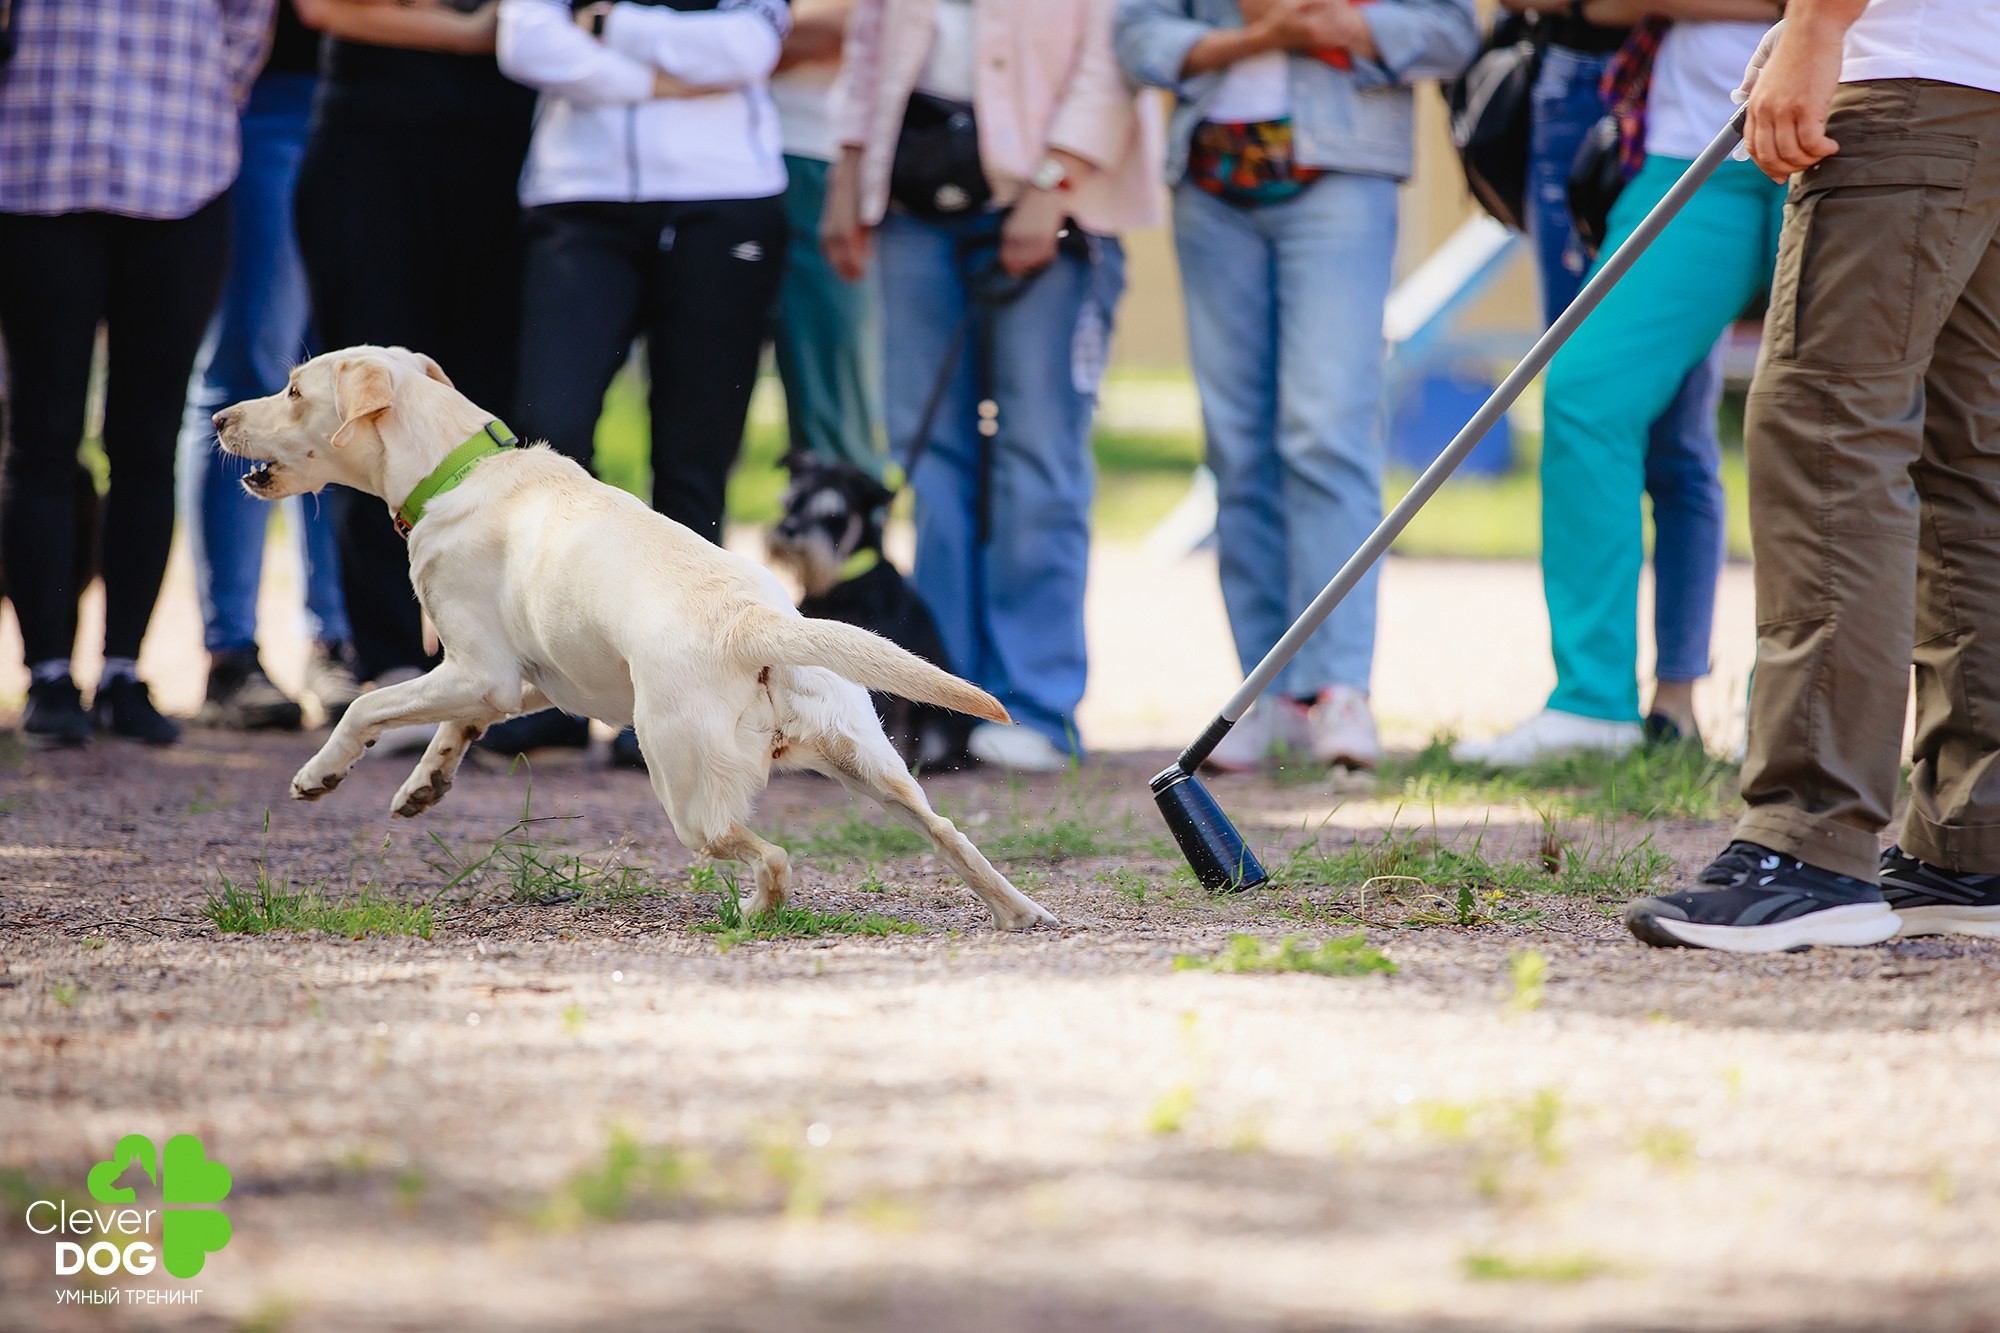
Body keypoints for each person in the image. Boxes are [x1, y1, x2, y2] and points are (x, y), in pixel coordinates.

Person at [1625, 0, 2000, 952]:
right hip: (1976, 81)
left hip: (1916, 80)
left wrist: (1820, 22)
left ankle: (1809, 841)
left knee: (1829, 433)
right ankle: (1978, 838)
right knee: (1971, 460)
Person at [1116, 0, 1479, 776]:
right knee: (1236, 444)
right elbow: (1136, 36)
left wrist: (1351, 27)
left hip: (1341, 174)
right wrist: (1256, 40)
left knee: (1326, 429)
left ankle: (1340, 688)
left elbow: (1452, 31)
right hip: (1211, 182)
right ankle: (1263, 692)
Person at [825, 0, 1155, 773]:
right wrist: (848, 169)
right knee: (927, 456)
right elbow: (870, 42)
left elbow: (1112, 54)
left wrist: (1054, 179)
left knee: (1036, 456)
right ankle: (943, 699)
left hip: (1054, 197)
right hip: (911, 192)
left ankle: (1035, 703)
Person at [1455, 7, 1784, 768]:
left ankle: (1799, 718)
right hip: (1691, 147)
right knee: (1584, 387)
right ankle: (1592, 701)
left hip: (1849, 129)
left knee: (1819, 422)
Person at [489, 0, 794, 765]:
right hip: (578, 198)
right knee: (548, 437)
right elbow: (526, 40)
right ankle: (553, 688)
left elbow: (748, 46)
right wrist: (661, 79)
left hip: (726, 198)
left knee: (695, 454)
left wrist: (612, 27)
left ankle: (678, 696)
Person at [0, 0, 276, 747]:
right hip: (37, 166)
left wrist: (205, 93)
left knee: (146, 439)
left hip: (179, 166)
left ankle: (124, 668)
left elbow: (247, 21)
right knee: (41, 436)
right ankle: (47, 674)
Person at [293, 0, 536, 748]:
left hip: (507, 148)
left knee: (496, 407)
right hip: (372, 140)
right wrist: (473, 33)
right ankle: (392, 660)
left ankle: (499, 659)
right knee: (366, 407)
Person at [179, 0, 362, 733]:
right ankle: (232, 653)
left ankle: (336, 638)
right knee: (249, 371)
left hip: (367, 102)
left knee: (346, 391)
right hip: (261, 98)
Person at [771, 1, 885, 477]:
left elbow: (850, 23)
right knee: (695, 398)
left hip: (819, 156)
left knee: (832, 394)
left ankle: (853, 537)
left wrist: (722, 46)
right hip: (707, 168)